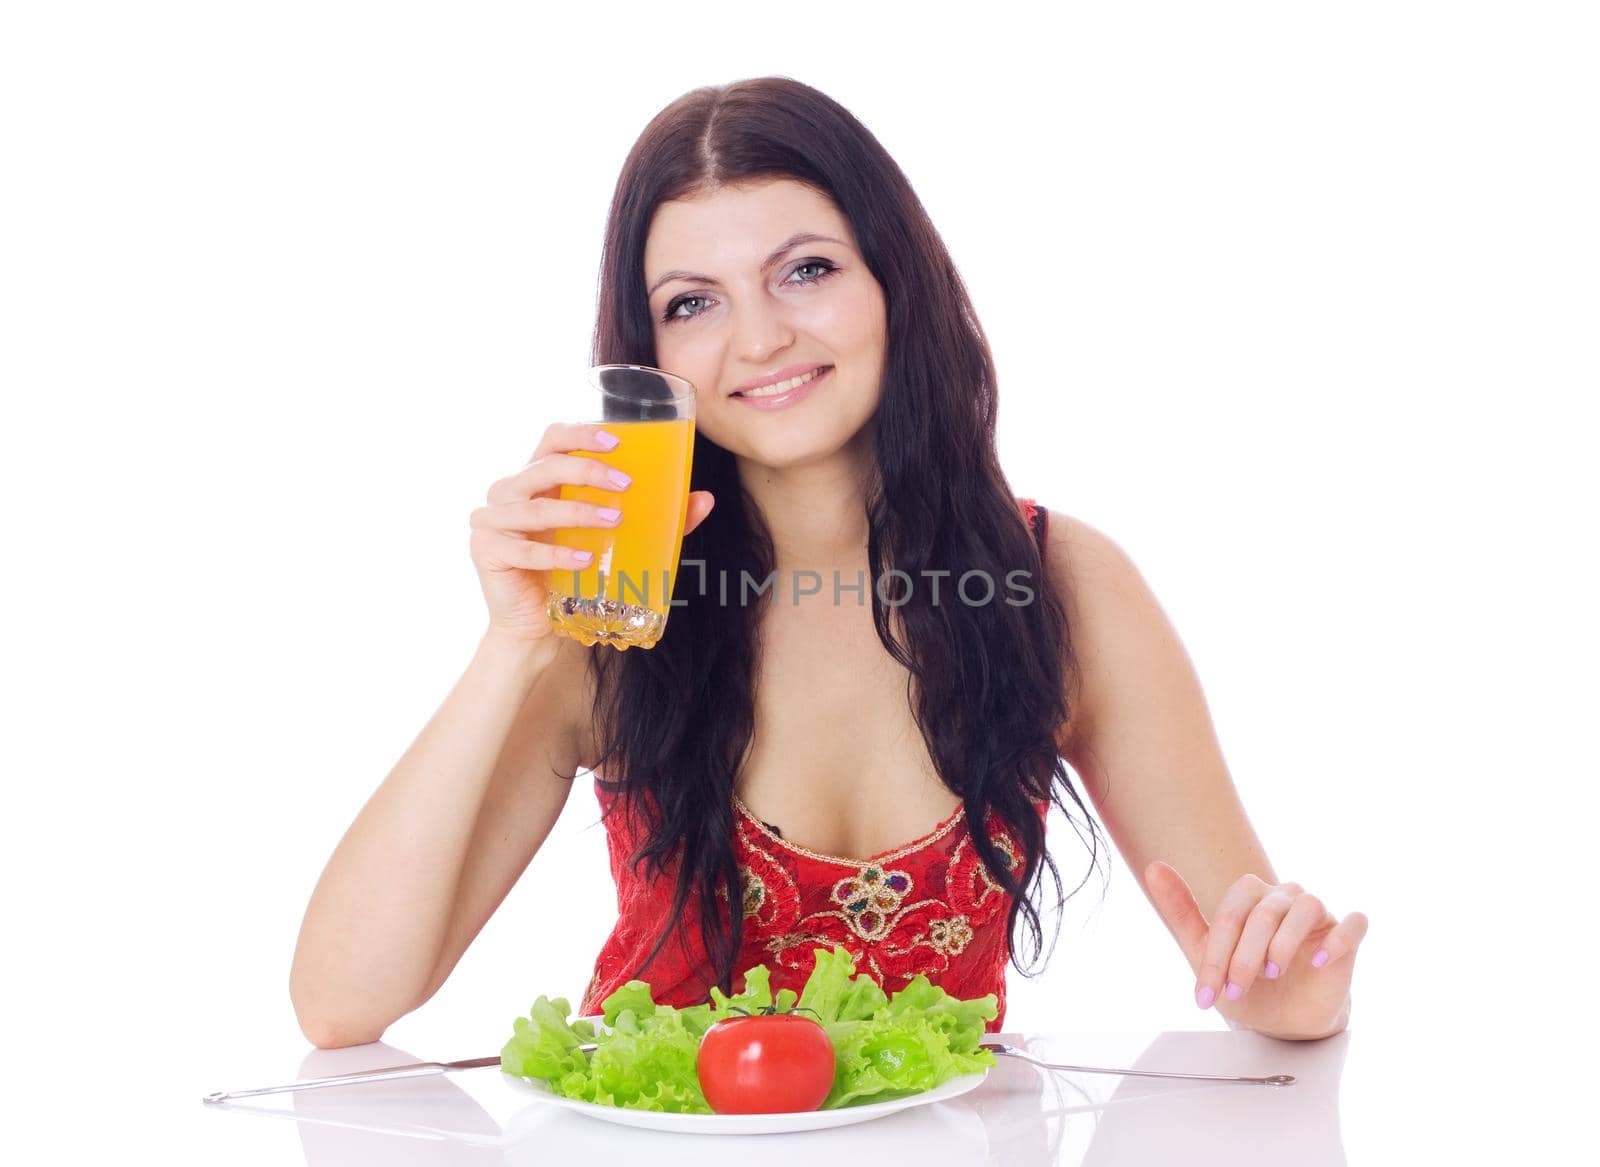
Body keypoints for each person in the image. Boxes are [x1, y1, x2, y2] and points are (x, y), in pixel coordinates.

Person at [289, 77, 1367, 1049]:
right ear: (649, 353)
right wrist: (511, 645)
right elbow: (341, 1004)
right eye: (692, 303)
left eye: (804, 270)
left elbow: (1256, 975)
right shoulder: (614, 609)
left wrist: (1300, 984)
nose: (757, 339)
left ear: (893, 280)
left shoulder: (1060, 585)